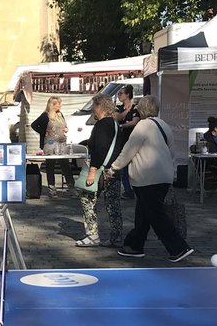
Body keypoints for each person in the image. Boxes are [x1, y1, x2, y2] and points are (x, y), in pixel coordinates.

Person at [104, 95, 192, 262]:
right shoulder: (164, 125)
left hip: (146, 177)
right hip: (164, 176)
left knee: (155, 214)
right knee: (144, 213)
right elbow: (171, 152)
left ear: (141, 109)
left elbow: (128, 150)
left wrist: (114, 168)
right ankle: (134, 246)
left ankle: (179, 248)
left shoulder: (142, 126)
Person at [76, 95, 123, 248]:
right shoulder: (115, 124)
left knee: (88, 201)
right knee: (113, 205)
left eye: (94, 107)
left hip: (100, 171)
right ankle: (116, 237)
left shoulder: (102, 125)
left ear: (99, 106)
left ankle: (92, 234)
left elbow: (99, 149)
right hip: (114, 170)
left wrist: (92, 170)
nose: (92, 111)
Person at [31, 96, 73, 195]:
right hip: (50, 144)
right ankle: (52, 188)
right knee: (50, 165)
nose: (60, 106)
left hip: (61, 143)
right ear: (52, 105)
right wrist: (43, 132)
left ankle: (71, 186)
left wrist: (66, 129)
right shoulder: (46, 115)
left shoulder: (60, 114)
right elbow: (34, 125)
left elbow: (63, 125)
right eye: (58, 104)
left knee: (65, 165)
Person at [114, 85, 138, 199]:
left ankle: (134, 189)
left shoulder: (136, 108)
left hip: (132, 139)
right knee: (124, 166)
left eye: (121, 93)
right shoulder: (119, 108)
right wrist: (127, 110)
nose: (119, 96)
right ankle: (127, 190)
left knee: (134, 166)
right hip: (122, 140)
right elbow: (117, 117)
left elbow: (135, 122)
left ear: (127, 94)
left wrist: (122, 125)